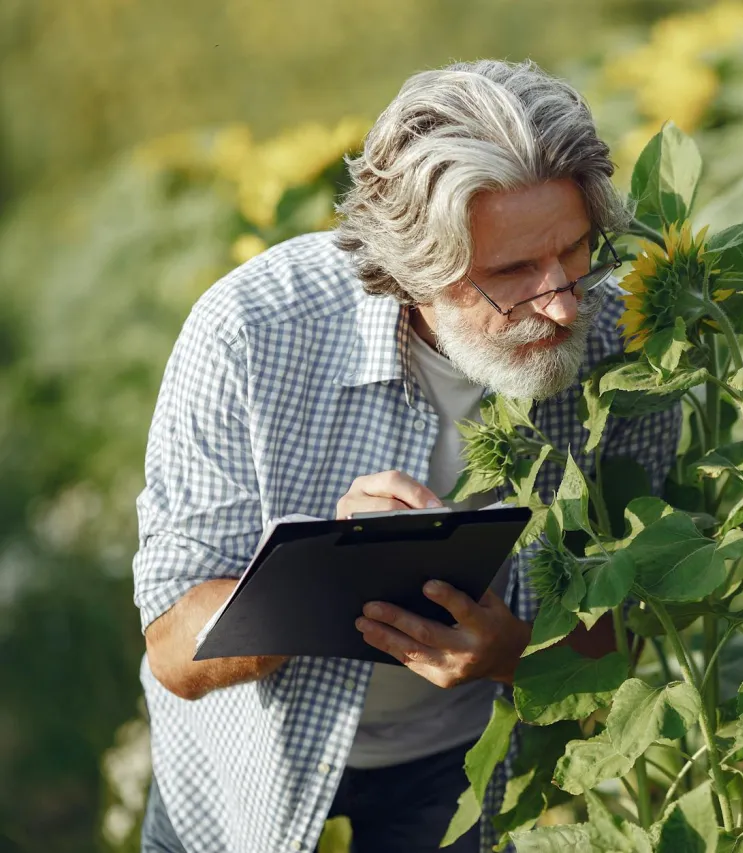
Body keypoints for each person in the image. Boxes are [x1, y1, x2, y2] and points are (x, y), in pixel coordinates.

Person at [132, 59, 681, 853]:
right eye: (512, 275)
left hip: (454, 766)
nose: (562, 302)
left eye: (574, 250)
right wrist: (328, 569)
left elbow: (628, 626)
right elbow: (174, 652)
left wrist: (509, 653)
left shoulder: (620, 337)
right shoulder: (249, 332)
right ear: (415, 270)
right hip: (250, 765)